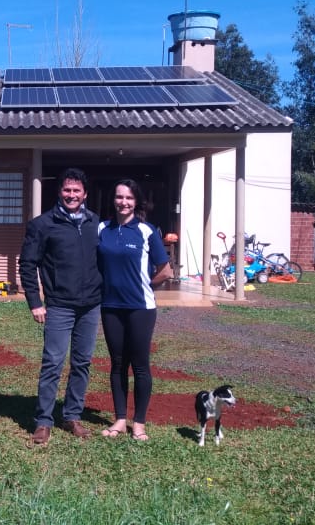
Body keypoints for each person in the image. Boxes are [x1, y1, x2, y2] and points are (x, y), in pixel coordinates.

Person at [19, 168, 104, 445]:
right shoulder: (43, 224)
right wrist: (35, 302)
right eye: (67, 190)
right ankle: (44, 421)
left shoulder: (95, 223)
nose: (71, 195)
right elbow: (27, 264)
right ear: (60, 192)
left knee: (82, 362)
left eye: (76, 190)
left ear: (85, 194)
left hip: (90, 305)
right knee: (53, 362)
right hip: (58, 306)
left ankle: (72, 415)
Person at [97, 179, 173, 441]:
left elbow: (165, 270)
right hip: (110, 307)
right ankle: (119, 420)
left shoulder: (146, 231)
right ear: (114, 200)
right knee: (118, 364)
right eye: (119, 197)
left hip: (140, 308)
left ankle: (138, 423)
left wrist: (144, 286)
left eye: (129, 198)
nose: (123, 202)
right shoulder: (101, 229)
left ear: (136, 201)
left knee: (140, 366)